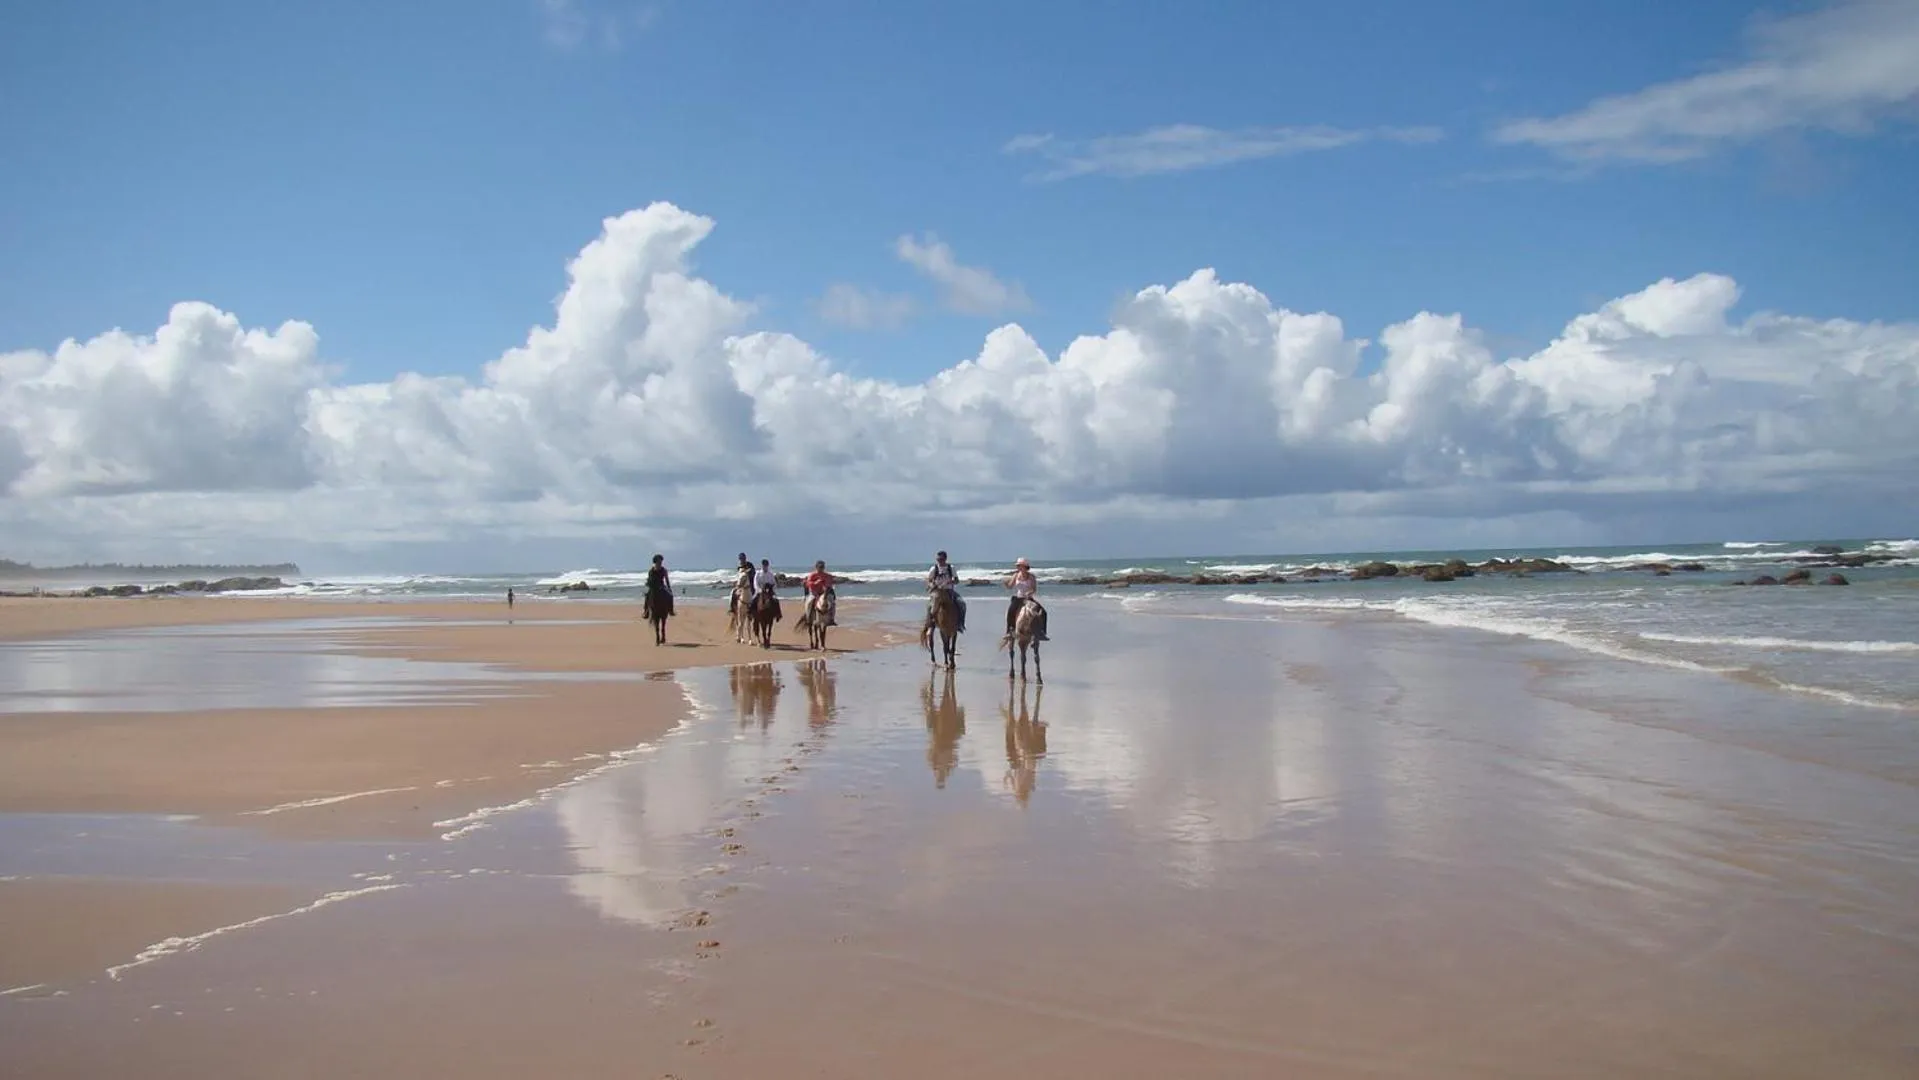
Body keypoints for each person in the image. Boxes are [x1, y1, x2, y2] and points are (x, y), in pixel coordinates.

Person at [1005, 557, 1049, 640]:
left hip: (1028, 599)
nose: (1018, 567)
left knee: (1043, 612)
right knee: (1010, 611)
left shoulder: (1031, 577)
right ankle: (1009, 632)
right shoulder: (1015, 575)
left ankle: (1042, 632)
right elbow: (1010, 586)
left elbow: (1034, 589)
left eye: (1019, 566)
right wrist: (1006, 584)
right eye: (1017, 566)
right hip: (1018, 598)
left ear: (1025, 566)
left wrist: (1029, 593)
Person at [926, 550, 965, 633]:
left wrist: (950, 582)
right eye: (938, 559)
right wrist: (932, 585)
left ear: (945, 559)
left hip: (949, 590)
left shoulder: (951, 568)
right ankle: (931, 623)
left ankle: (960, 623)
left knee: (961, 603)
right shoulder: (934, 569)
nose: (940, 561)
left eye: (941, 559)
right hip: (937, 591)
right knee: (932, 606)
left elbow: (957, 580)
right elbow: (928, 580)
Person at [803, 560, 836, 626]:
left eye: (822, 567)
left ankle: (832, 619)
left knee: (832, 602)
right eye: (820, 567)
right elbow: (808, 583)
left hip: (823, 593)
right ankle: (808, 618)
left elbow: (829, 584)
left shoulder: (827, 575)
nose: (821, 569)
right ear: (816, 567)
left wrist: (828, 584)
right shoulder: (812, 575)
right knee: (809, 602)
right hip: (814, 592)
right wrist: (815, 583)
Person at [753, 558, 782, 622]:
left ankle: (778, 615)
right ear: (762, 565)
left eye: (766, 565)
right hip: (760, 591)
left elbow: (774, 583)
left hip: (769, 591)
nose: (765, 566)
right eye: (764, 565)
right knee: (753, 600)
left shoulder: (770, 574)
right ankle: (751, 613)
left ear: (767, 566)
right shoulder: (758, 573)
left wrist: (772, 589)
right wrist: (759, 590)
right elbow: (755, 583)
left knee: (776, 600)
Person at [728, 553, 752, 617]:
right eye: (740, 559)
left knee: (755, 595)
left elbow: (753, 574)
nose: (741, 560)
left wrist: (748, 575)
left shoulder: (750, 565)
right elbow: (738, 576)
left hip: (749, 584)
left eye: (743, 559)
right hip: (740, 585)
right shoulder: (739, 567)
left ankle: (752, 610)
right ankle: (731, 608)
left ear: (745, 559)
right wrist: (736, 582)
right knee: (733, 593)